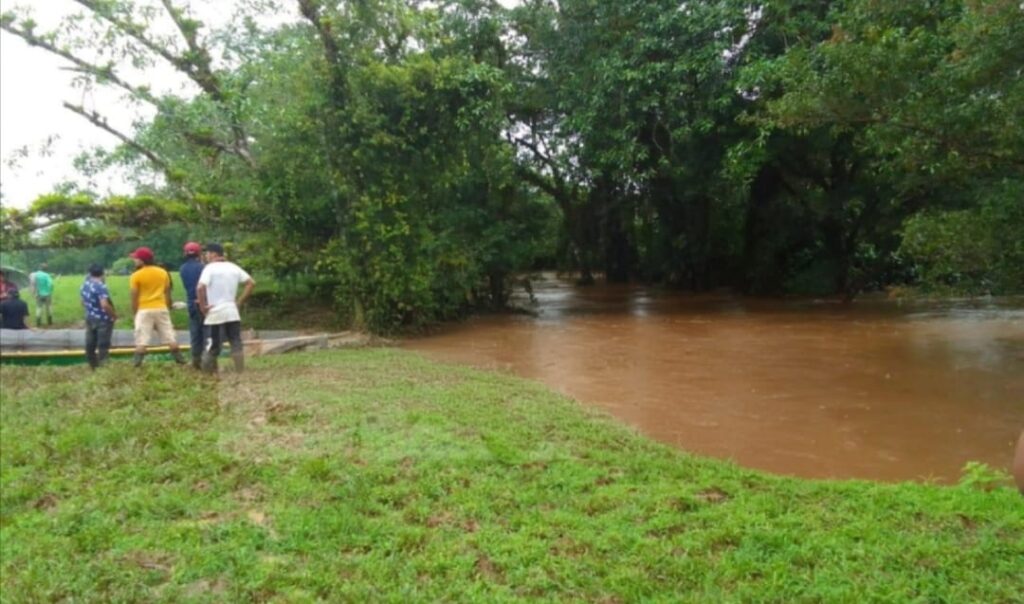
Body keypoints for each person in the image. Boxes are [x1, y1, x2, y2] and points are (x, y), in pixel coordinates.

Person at [197, 243, 255, 373]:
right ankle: (240, 370)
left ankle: (207, 372)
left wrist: (203, 307)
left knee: (213, 344)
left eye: (207, 253)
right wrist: (239, 302)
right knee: (235, 341)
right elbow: (251, 283)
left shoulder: (209, 268)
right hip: (232, 311)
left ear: (214, 254)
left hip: (215, 312)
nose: (206, 256)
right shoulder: (233, 267)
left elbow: (200, 287)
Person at [128, 246, 186, 367]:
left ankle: (136, 364)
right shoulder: (162, 272)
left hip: (144, 309)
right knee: (170, 337)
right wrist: (169, 306)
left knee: (142, 340)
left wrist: (135, 313)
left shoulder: (136, 275)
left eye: (136, 258)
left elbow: (134, 297)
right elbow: (167, 292)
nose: (134, 260)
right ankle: (181, 361)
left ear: (141, 261)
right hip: (161, 307)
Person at [81, 264, 118, 369]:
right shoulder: (101, 286)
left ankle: (92, 365)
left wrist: (91, 309)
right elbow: (105, 304)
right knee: (103, 344)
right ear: (102, 273)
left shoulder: (84, 285)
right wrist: (114, 315)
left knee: (90, 343)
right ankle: (104, 367)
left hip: (89, 317)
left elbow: (82, 302)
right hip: (103, 319)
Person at [179, 241, 205, 369]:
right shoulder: (203, 267)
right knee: (206, 331)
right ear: (199, 253)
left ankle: (196, 359)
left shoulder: (183, 268)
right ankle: (207, 359)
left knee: (195, 331)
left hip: (191, 302)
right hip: (203, 302)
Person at [29, 262, 54, 327]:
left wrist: (33, 293)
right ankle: (49, 321)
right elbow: (51, 284)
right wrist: (50, 290)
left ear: (39, 268)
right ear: (46, 269)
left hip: (39, 294)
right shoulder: (46, 275)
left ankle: (38, 322)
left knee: (39, 308)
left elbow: (33, 284)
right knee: (49, 307)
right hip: (47, 294)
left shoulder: (35, 274)